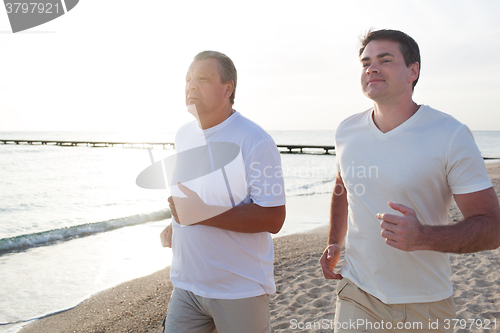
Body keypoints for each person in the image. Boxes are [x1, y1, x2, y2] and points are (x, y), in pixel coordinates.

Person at [320, 29, 500, 332]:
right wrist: (334, 241)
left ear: (412, 71)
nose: (371, 68)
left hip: (424, 302)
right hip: (358, 291)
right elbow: (344, 185)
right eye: (365, 63)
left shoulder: (449, 134)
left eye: (385, 60)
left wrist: (423, 237)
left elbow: (492, 228)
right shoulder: (346, 131)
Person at [159, 50, 286, 333]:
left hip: (239, 289)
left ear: (228, 88)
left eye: (202, 79)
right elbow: (193, 194)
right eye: (188, 79)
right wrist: (175, 225)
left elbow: (273, 217)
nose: (191, 86)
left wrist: (200, 215)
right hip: (186, 284)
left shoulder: (255, 140)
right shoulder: (184, 134)